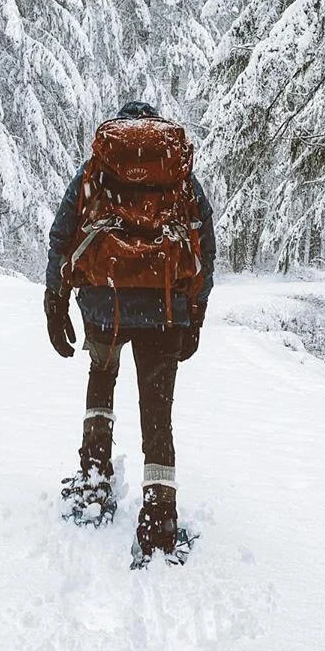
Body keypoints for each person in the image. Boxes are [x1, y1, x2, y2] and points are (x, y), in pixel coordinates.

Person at [43, 101, 216, 564]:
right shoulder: (178, 176)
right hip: (165, 308)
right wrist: (195, 314)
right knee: (157, 412)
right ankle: (159, 521)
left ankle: (95, 480)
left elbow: (63, 234)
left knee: (102, 378)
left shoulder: (97, 170)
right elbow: (204, 241)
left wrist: (55, 299)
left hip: (105, 302)